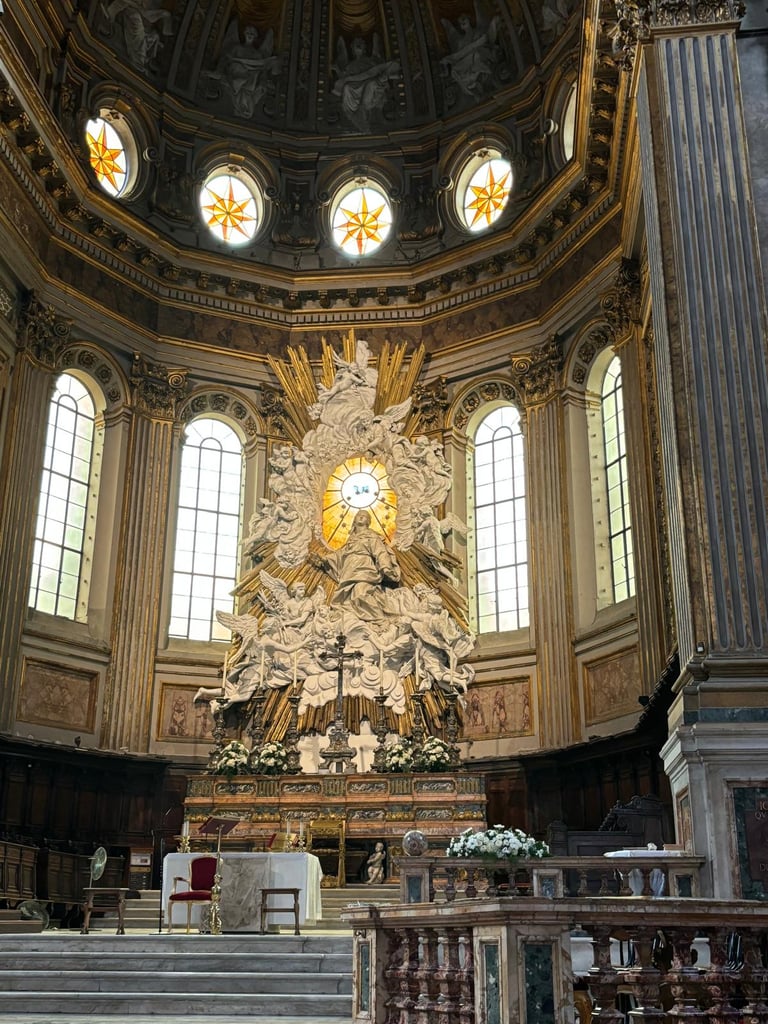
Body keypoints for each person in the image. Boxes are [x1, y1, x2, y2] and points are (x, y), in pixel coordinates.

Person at [329, 509, 401, 621]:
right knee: (347, 597)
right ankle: (353, 618)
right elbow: (340, 555)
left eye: (365, 516)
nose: (361, 517)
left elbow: (380, 551)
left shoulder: (371, 536)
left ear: (369, 521)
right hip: (349, 569)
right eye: (359, 515)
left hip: (364, 567)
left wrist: (385, 567)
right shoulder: (351, 539)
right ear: (354, 519)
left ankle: (381, 619)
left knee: (361, 593)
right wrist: (324, 560)